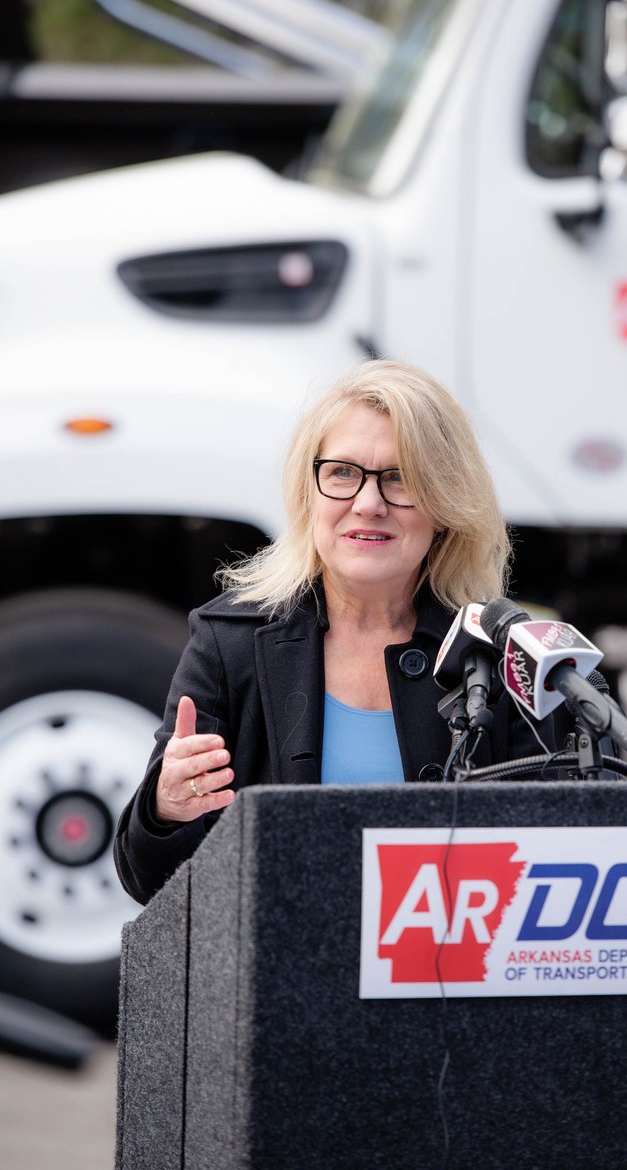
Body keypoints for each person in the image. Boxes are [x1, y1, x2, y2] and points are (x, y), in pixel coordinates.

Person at [114, 360, 569, 904]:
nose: (369, 503)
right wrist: (167, 809)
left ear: (444, 505)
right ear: (309, 494)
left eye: (400, 478)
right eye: (342, 473)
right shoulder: (228, 643)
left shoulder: (503, 653)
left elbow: (572, 840)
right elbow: (146, 879)